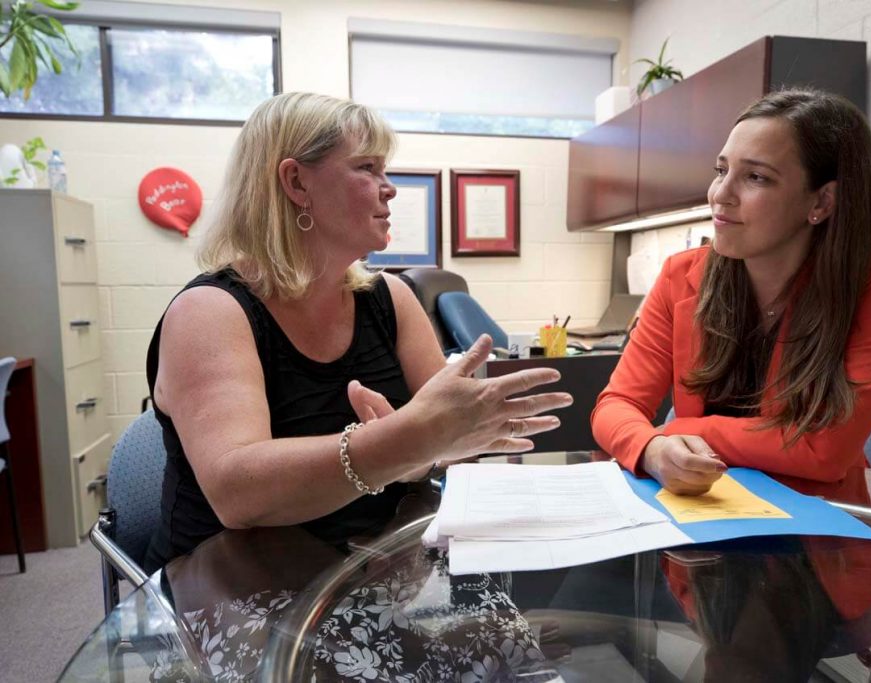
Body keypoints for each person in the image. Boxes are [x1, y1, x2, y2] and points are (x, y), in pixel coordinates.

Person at [143, 92, 572, 573]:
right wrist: (407, 443)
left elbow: (440, 443)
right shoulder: (209, 312)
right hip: (235, 584)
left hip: (374, 566)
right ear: (295, 182)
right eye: (367, 168)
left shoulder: (392, 298)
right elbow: (238, 494)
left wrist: (441, 446)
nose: (389, 188)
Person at [592, 88, 871, 494]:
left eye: (756, 177)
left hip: (822, 528)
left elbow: (824, 450)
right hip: (706, 512)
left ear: (821, 201)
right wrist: (652, 449)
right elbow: (615, 406)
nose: (720, 195)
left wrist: (684, 428)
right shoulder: (681, 275)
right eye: (721, 170)